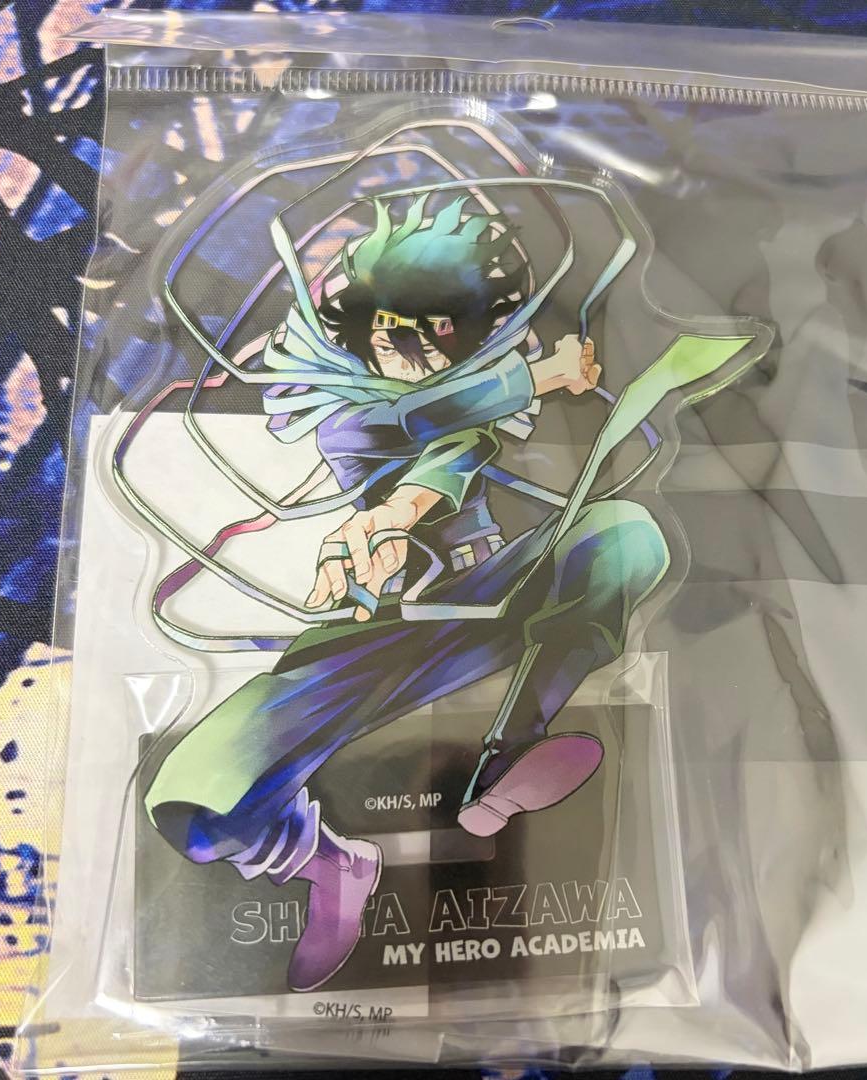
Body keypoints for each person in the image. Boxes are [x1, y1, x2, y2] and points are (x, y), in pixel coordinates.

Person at [143, 195, 670, 991]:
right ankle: (332, 867)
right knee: (194, 802)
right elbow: (413, 422)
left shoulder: (467, 411)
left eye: (436, 329)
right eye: (389, 326)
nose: (406, 344)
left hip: (494, 597)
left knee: (623, 532)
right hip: (379, 630)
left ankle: (504, 762)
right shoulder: (353, 418)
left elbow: (453, 442)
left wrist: (406, 508)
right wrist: (534, 381)